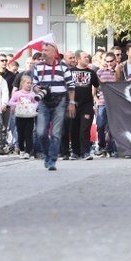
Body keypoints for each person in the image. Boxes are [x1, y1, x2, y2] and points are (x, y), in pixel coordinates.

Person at [32, 42, 76, 170]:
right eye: (42, 50)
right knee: (41, 132)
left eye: (46, 50)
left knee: (56, 133)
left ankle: (52, 160)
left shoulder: (63, 67)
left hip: (60, 101)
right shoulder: (38, 67)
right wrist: (36, 89)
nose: (43, 52)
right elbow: (34, 84)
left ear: (53, 52)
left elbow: (71, 86)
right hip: (44, 102)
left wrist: (72, 103)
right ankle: (47, 154)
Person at [69, 50, 100, 161]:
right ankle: (75, 152)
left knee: (85, 128)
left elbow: (97, 85)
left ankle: (85, 151)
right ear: (78, 59)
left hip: (86, 105)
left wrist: (94, 97)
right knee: (74, 128)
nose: (87, 59)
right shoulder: (70, 71)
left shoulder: (91, 73)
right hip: (73, 104)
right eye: (85, 57)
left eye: (88, 57)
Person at [8, 76, 38, 159]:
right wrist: (17, 104)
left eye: (31, 83)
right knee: (20, 134)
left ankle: (28, 151)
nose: (29, 85)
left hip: (29, 117)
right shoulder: (18, 94)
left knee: (29, 134)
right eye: (28, 83)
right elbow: (10, 102)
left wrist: (32, 105)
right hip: (20, 116)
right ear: (22, 83)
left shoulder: (32, 94)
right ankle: (21, 150)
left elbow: (37, 102)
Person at [96, 52, 118, 157]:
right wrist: (95, 100)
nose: (109, 63)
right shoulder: (100, 71)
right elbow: (95, 87)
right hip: (102, 102)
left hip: (114, 103)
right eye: (107, 61)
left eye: (111, 61)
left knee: (113, 127)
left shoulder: (119, 72)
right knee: (100, 125)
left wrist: (116, 71)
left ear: (115, 61)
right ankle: (101, 145)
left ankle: (111, 149)